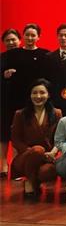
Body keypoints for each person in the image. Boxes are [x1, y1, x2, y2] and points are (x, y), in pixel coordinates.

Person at [10, 79, 61, 195]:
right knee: (38, 150)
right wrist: (32, 151)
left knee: (48, 171)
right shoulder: (20, 114)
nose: (38, 96)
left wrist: (52, 153)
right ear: (30, 95)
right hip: (25, 156)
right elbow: (16, 140)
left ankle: (33, 182)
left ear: (48, 95)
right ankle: (29, 181)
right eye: (34, 93)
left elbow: (59, 138)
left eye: (42, 93)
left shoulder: (57, 113)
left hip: (46, 158)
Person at [1, 28, 21, 176]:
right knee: (3, 134)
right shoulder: (1, 58)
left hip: (21, 102)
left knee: (18, 134)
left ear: (19, 40)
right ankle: (3, 164)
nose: (11, 42)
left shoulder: (25, 56)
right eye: (7, 40)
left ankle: (16, 165)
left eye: (13, 39)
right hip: (3, 101)